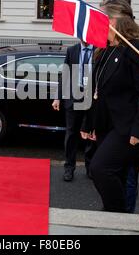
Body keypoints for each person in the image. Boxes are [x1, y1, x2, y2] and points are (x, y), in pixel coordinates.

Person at [80, 0, 139, 213]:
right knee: (115, 174)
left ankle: (117, 213)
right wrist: (88, 123)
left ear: (113, 21)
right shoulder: (104, 49)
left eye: (100, 17)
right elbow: (97, 93)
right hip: (106, 125)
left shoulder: (137, 48)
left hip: (127, 127)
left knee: (100, 168)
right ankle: (117, 216)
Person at [52, 40, 97, 181]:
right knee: (71, 134)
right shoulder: (72, 50)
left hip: (92, 98)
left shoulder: (100, 50)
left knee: (91, 134)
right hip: (73, 97)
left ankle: (90, 168)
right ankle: (69, 168)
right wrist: (57, 97)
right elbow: (64, 74)